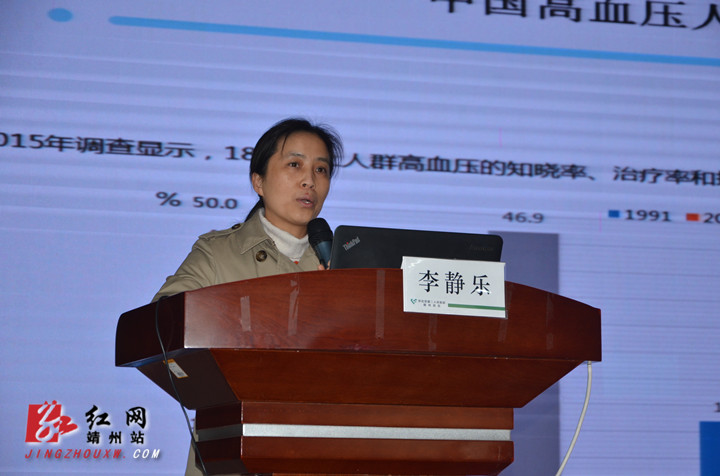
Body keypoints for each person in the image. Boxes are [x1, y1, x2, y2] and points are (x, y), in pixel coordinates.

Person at [151, 117, 343, 475]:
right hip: (235, 450)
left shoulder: (345, 265)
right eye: (295, 164)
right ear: (258, 181)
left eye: (321, 169)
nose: (310, 180)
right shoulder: (218, 252)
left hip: (324, 450)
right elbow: (162, 323)